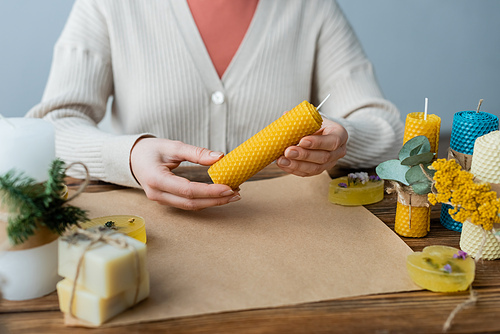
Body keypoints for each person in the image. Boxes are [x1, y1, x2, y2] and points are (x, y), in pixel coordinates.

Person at [27, 0, 403, 210]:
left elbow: (387, 129)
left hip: (283, 231)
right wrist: (129, 155)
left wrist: (342, 137)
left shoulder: (313, 10)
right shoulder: (107, 6)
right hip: (150, 233)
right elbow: (52, 127)